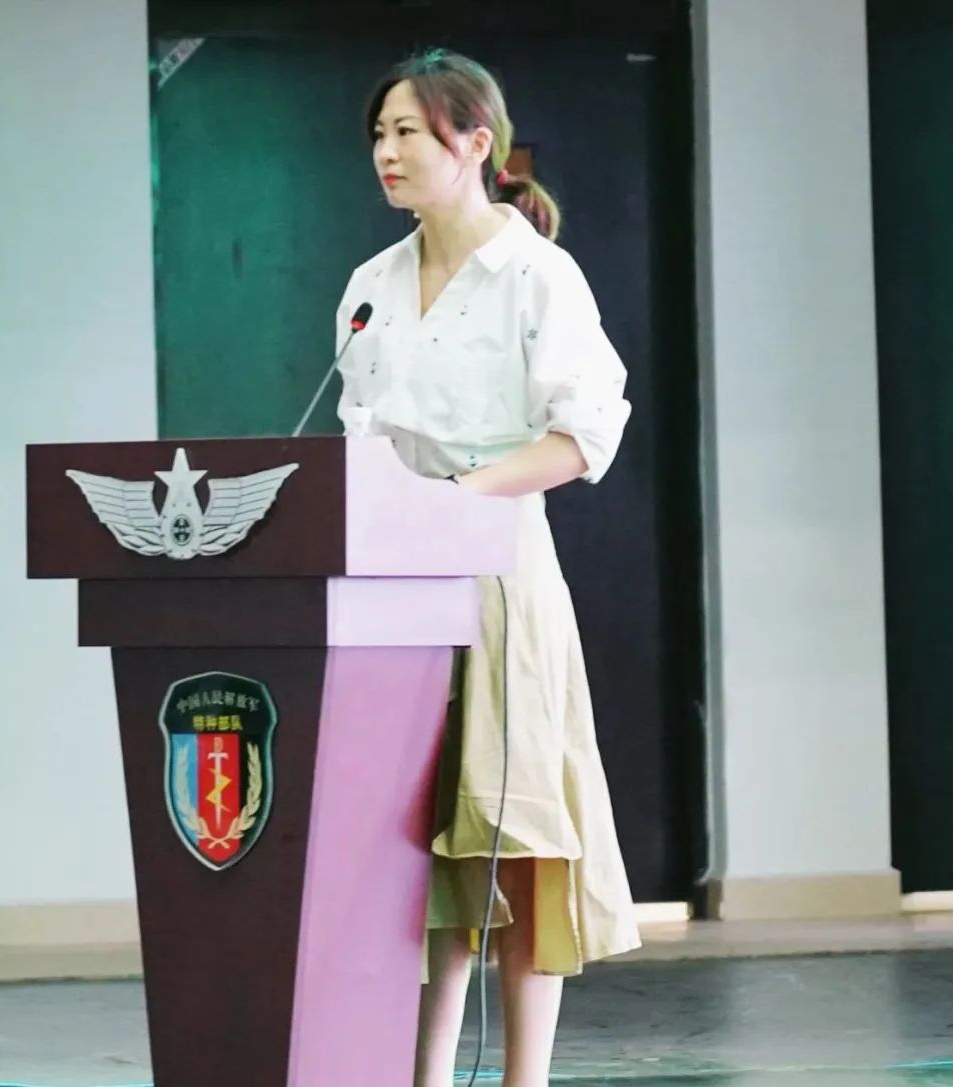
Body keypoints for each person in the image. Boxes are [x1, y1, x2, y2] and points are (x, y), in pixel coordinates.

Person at [334, 48, 641, 1087]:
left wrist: (461, 496)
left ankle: (524, 1078)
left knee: (518, 834)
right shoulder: (370, 286)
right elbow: (358, 435)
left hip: (500, 571)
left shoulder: (537, 273)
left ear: (475, 142)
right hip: (392, 586)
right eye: (379, 134)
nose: (387, 152)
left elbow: (584, 435)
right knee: (415, 840)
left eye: (408, 132)